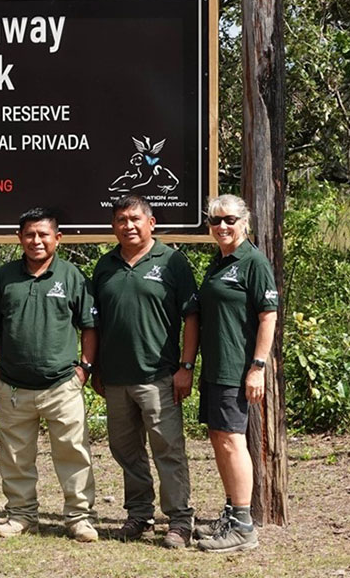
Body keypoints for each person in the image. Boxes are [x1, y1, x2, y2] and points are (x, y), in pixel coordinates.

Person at [0, 208, 99, 542]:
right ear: (20, 238)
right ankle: (21, 515)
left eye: (43, 234)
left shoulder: (72, 276)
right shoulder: (4, 277)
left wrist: (84, 369)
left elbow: (89, 326)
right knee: (16, 456)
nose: (36, 241)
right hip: (14, 386)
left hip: (62, 384)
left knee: (74, 452)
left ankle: (78, 518)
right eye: (29, 234)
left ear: (57, 238)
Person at [92, 194, 198, 549]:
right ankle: (139, 514)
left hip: (159, 376)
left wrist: (186, 366)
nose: (128, 225)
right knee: (126, 450)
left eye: (135, 218)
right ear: (113, 227)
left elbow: (190, 317)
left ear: (151, 222)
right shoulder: (104, 266)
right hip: (117, 379)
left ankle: (180, 521)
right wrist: (96, 368)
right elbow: (97, 323)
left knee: (167, 449)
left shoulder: (172, 262)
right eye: (121, 220)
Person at [194, 194, 277, 553]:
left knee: (231, 440)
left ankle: (243, 526)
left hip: (237, 368)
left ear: (244, 221)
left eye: (229, 219)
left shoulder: (253, 262)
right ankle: (231, 512)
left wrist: (257, 367)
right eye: (215, 221)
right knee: (219, 439)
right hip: (215, 367)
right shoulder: (220, 261)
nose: (222, 226)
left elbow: (268, 316)